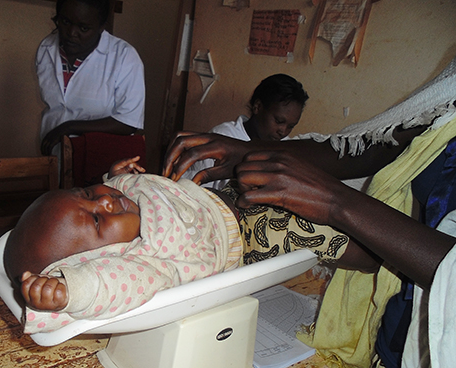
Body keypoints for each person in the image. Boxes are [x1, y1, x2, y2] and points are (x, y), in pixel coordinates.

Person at [162, 56, 456, 368]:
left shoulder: (274, 223)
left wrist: (336, 203)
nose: (284, 131)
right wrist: (251, 152)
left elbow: (375, 259)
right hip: (398, 318)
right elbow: (367, 148)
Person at [4, 157, 361, 334]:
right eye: (97, 221)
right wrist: (70, 292)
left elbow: (114, 190)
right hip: (249, 236)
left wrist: (117, 176)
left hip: (222, 198)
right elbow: (106, 286)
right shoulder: (145, 261)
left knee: (284, 175)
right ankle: (371, 254)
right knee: (316, 228)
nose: (106, 201)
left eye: (86, 194)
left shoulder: (122, 197)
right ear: (101, 257)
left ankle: (356, 203)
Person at [37, 0, 145, 156]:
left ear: (101, 27)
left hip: (99, 158)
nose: (72, 33)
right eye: (66, 22)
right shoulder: (46, 48)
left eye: (83, 28)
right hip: (54, 154)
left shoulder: (124, 57)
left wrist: (69, 127)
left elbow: (128, 122)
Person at [183, 73, 308, 190]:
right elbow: (194, 187)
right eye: (279, 121)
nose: (283, 131)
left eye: (291, 126)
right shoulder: (223, 137)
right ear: (258, 107)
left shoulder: (286, 148)